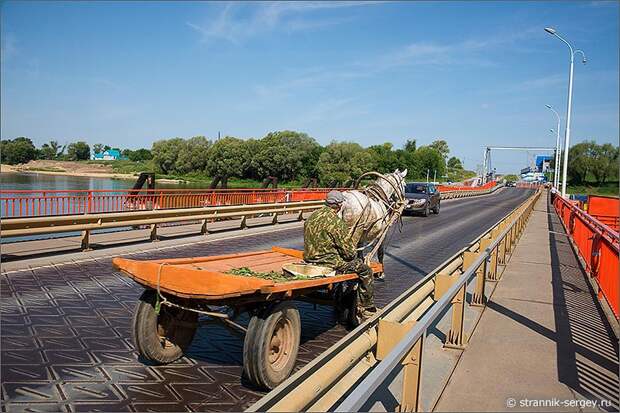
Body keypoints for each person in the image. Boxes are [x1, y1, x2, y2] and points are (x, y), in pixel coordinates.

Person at [303, 190, 377, 320]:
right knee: (366, 271)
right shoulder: (336, 223)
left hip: (309, 259)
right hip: (330, 264)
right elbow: (348, 253)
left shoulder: (311, 217)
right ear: (338, 205)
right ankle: (367, 307)